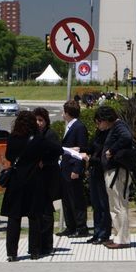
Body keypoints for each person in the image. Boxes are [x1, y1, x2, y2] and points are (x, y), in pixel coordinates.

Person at [1, 112, 61, 261]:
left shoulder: (13, 138)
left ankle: (12, 253)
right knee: (34, 216)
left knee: (14, 217)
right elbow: (57, 150)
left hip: (15, 181)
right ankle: (34, 251)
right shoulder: (38, 140)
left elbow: (9, 156)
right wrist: (43, 160)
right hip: (34, 180)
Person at [96, 105, 135, 249]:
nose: (99, 124)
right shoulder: (116, 127)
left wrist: (111, 150)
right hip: (113, 172)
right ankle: (118, 236)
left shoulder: (119, 126)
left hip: (117, 172)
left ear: (107, 119)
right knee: (115, 206)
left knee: (119, 205)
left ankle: (122, 239)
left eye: (100, 121)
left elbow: (127, 137)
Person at [57, 100, 90, 238]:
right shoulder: (70, 126)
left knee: (76, 199)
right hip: (65, 168)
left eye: (64, 111)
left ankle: (81, 227)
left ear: (68, 113)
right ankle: (70, 226)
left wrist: (77, 169)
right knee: (66, 199)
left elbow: (81, 150)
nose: (62, 114)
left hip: (73, 169)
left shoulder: (79, 127)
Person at [33, 108, 63, 254]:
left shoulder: (50, 135)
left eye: (41, 120)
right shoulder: (33, 135)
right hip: (37, 179)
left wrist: (44, 162)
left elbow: (57, 152)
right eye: (36, 120)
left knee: (46, 212)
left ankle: (47, 244)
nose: (38, 123)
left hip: (48, 177)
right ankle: (39, 243)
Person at [83, 111, 113, 244]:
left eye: (99, 122)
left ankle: (104, 233)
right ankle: (97, 231)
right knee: (95, 204)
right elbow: (91, 147)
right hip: (94, 171)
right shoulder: (98, 133)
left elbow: (103, 157)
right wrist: (81, 150)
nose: (98, 125)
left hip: (102, 172)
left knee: (103, 204)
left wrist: (91, 159)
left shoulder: (110, 134)